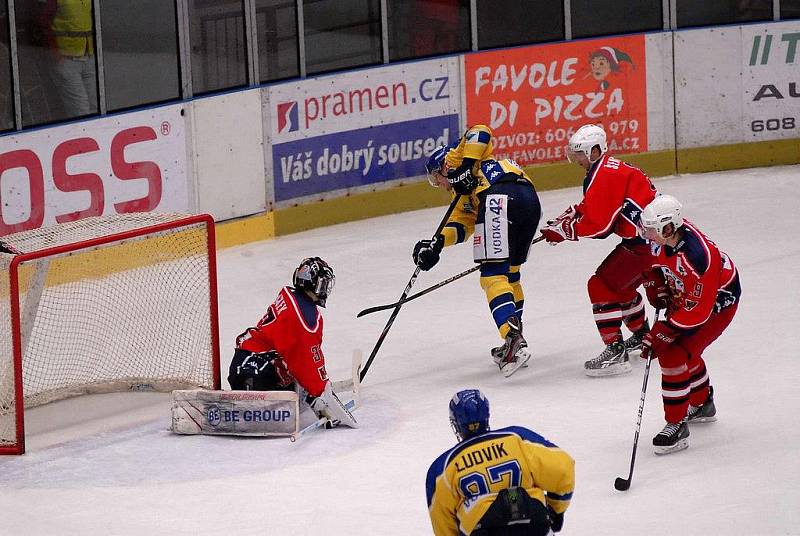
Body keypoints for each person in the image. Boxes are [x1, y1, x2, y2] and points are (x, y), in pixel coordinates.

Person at [415, 125, 542, 377]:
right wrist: (436, 244)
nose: (439, 184)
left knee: (493, 276)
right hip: (528, 199)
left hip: (497, 198)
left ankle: (512, 337)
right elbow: (461, 226)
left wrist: (464, 166)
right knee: (510, 274)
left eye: (436, 178)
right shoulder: (463, 195)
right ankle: (514, 338)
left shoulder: (454, 159)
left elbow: (481, 131)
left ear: (443, 167)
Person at [540, 123, 657, 377]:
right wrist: (572, 215)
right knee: (620, 287)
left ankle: (615, 351)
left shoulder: (605, 174)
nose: (577, 160)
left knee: (600, 285)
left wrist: (566, 231)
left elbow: (600, 226)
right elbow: (594, 207)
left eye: (580, 154)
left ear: (594, 150)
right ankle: (640, 334)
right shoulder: (606, 168)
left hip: (646, 246)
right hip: (648, 243)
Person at [637, 195, 740, 454]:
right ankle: (703, 402)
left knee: (673, 354)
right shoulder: (664, 237)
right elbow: (653, 260)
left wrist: (664, 331)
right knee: (686, 352)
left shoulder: (698, 257)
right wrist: (655, 282)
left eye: (651, 229)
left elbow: (697, 313)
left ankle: (677, 424)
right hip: (690, 296)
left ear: (669, 227)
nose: (647, 234)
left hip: (717, 304)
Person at [227, 257, 357, 428]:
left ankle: (295, 393)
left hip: (246, 360)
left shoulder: (292, 295)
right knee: (298, 369)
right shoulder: (304, 316)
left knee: (291, 367)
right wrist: (320, 391)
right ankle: (255, 398)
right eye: (322, 284)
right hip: (253, 370)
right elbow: (306, 358)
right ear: (312, 284)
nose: (325, 290)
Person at [425, 389, 574, 535]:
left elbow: (442, 520)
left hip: (483, 529)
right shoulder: (517, 438)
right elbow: (563, 467)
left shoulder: (442, 468)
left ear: (456, 423)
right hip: (534, 524)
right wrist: (556, 510)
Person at [38, 0, 97, 118]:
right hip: (67, 59)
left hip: (88, 56)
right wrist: (54, 51)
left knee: (95, 105)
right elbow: (43, 23)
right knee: (80, 110)